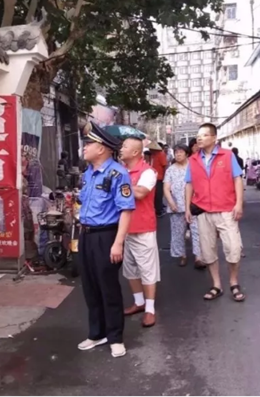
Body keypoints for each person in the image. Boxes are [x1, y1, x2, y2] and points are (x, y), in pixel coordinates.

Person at [77, 121, 135, 358]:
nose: (84, 147)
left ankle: (115, 337)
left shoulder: (117, 174)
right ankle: (96, 333)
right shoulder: (88, 173)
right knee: (90, 287)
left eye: (88, 144)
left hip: (106, 236)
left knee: (108, 288)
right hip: (86, 235)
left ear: (101, 148)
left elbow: (126, 210)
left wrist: (118, 243)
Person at [185, 123, 245, 301]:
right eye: (198, 135)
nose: (199, 138)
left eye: (204, 135)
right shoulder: (193, 160)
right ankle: (216, 285)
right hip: (203, 210)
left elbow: (237, 179)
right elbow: (189, 184)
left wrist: (239, 204)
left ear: (214, 138)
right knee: (207, 251)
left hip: (226, 209)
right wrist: (187, 207)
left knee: (233, 249)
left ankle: (233, 282)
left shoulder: (227, 156)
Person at [119, 137, 160, 328]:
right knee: (130, 269)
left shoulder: (148, 172)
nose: (121, 149)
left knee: (147, 270)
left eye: (125, 146)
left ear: (135, 152)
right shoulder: (122, 170)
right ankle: (139, 302)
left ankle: (150, 309)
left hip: (143, 227)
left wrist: (119, 184)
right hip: (125, 228)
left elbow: (141, 193)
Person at [164, 144, 199, 267]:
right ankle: (182, 255)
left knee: (197, 231)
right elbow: (166, 188)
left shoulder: (194, 166)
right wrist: (171, 202)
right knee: (178, 233)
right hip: (177, 206)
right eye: (176, 152)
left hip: (194, 205)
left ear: (187, 154)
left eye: (180, 152)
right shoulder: (170, 170)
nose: (178, 154)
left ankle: (198, 256)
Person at [185, 137, 206, 269]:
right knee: (196, 230)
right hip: (194, 201)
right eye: (194, 146)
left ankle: (206, 255)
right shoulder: (190, 161)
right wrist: (187, 206)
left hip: (208, 201)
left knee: (207, 232)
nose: (197, 148)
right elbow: (188, 184)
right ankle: (198, 257)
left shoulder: (207, 160)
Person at [149, 146, 168, 217]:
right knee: (154, 194)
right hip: (152, 177)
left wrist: (164, 177)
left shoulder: (161, 154)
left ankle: (159, 210)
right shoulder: (152, 155)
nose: (150, 149)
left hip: (159, 177)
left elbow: (164, 166)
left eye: (151, 148)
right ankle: (157, 209)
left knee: (158, 194)